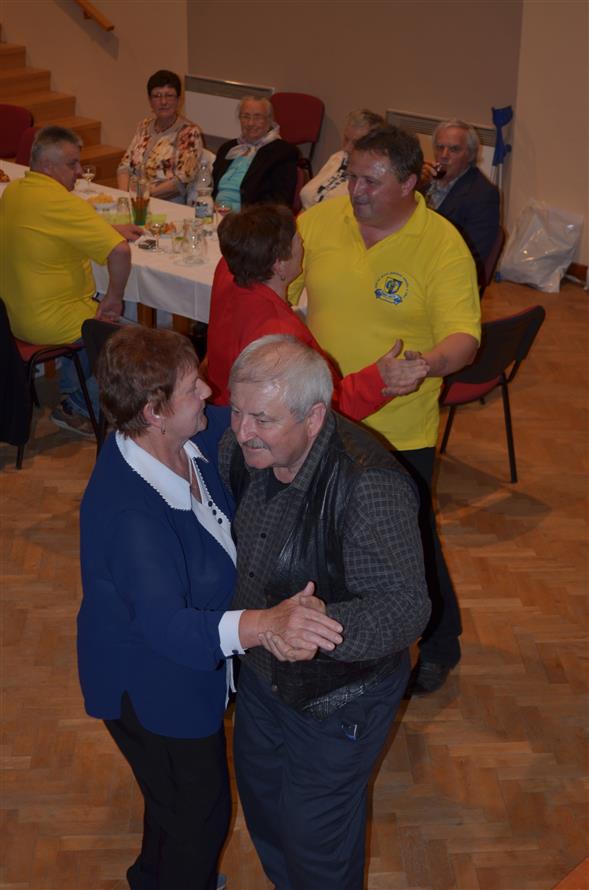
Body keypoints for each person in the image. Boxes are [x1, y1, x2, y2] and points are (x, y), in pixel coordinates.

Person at [78, 326, 343, 890]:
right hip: (152, 684)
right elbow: (169, 629)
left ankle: (151, 878)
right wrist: (266, 625)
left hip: (174, 673)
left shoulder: (185, 440)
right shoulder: (133, 513)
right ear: (154, 412)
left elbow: (276, 419)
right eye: (193, 386)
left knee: (171, 801)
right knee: (200, 816)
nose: (209, 391)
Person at [219, 335, 430, 890]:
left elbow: (407, 607)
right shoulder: (245, 451)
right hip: (263, 676)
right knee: (266, 809)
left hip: (339, 695)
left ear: (314, 417)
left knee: (316, 838)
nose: (242, 431)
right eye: (236, 411)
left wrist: (319, 629)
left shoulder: (368, 486)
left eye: (262, 419)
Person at [291, 125, 481, 695]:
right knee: (322, 533)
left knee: (410, 545)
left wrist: (425, 364)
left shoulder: (441, 243)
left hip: (398, 429)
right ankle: (338, 641)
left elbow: (464, 339)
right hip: (322, 415)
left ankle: (441, 642)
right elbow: (280, 286)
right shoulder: (320, 221)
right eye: (352, 176)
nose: (356, 191)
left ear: (408, 182)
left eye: (371, 181)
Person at [207, 203, 429, 414]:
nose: (303, 245)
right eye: (297, 241)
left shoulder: (227, 269)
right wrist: (380, 378)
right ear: (279, 264)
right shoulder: (282, 337)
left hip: (224, 405)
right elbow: (325, 408)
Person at [0, 125, 142, 438]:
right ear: (47, 166)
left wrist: (107, 229)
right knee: (138, 342)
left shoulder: (14, 191)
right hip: (46, 321)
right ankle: (76, 407)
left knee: (89, 309)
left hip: (11, 316)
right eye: (72, 164)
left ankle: (71, 389)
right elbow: (120, 252)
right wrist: (114, 298)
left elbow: (52, 227)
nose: (79, 171)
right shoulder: (61, 202)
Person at [421, 118, 500, 278]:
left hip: (444, 272)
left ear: (470, 155)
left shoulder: (483, 194)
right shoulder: (424, 180)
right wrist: (412, 186)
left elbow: (471, 256)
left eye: (454, 149)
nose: (444, 155)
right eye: (440, 147)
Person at [117, 69, 203, 203]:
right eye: (157, 96)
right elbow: (124, 167)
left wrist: (144, 195)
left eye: (169, 95)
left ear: (178, 100)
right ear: (150, 101)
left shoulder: (189, 132)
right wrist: (123, 197)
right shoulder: (144, 126)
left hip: (166, 204)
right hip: (135, 199)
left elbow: (181, 180)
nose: (163, 102)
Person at [212, 96, 298, 210]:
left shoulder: (283, 152)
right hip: (215, 212)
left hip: (250, 216)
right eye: (245, 116)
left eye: (258, 117)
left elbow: (279, 200)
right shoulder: (228, 148)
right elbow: (211, 186)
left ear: (269, 120)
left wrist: (240, 215)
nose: (250, 123)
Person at [299, 108, 384, 209]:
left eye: (356, 143)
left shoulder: (369, 179)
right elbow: (308, 196)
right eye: (346, 139)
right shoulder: (338, 158)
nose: (346, 148)